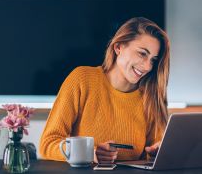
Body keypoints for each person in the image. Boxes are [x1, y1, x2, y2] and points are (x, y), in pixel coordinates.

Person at [39, 17, 170, 164]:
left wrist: (156, 154)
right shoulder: (82, 79)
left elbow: (149, 156)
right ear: (118, 47)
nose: (147, 67)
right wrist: (89, 153)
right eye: (142, 54)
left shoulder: (150, 96)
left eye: (153, 59)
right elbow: (47, 144)